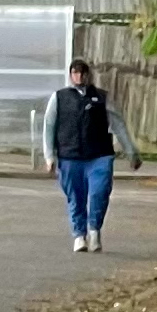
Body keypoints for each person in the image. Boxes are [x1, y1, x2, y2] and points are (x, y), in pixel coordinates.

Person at [48, 59, 121, 253]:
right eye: (75, 73)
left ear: (88, 75)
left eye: (82, 73)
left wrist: (131, 151)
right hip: (70, 156)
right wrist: (49, 156)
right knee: (76, 198)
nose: (78, 77)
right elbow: (49, 127)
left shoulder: (101, 97)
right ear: (70, 75)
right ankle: (79, 235)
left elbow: (118, 123)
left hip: (99, 155)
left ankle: (94, 230)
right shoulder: (60, 98)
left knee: (99, 193)